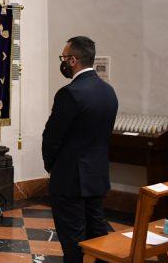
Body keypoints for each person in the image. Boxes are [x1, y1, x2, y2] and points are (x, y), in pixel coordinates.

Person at [42, 36, 118, 263]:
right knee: (98, 236)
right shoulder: (108, 91)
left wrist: (51, 166)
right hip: (96, 175)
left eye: (64, 58)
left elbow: (52, 137)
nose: (63, 62)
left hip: (70, 180)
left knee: (73, 241)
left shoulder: (70, 93)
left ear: (73, 60)